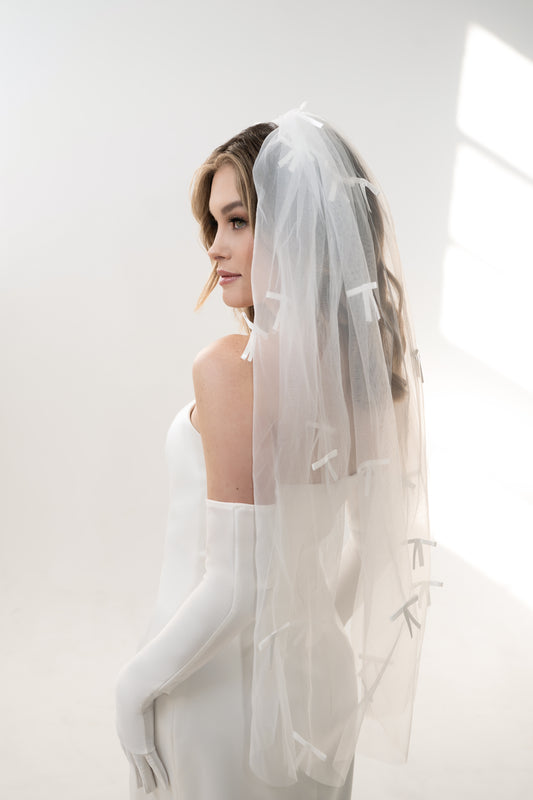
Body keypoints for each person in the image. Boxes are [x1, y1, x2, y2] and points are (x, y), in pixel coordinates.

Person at [115, 106, 434, 798]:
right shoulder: (375, 382)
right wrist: (301, 631)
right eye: (213, 224)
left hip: (207, 683)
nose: (215, 247)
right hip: (316, 689)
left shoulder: (231, 367)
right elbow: (367, 546)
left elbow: (235, 584)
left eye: (238, 221)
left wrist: (132, 687)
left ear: (296, 228)